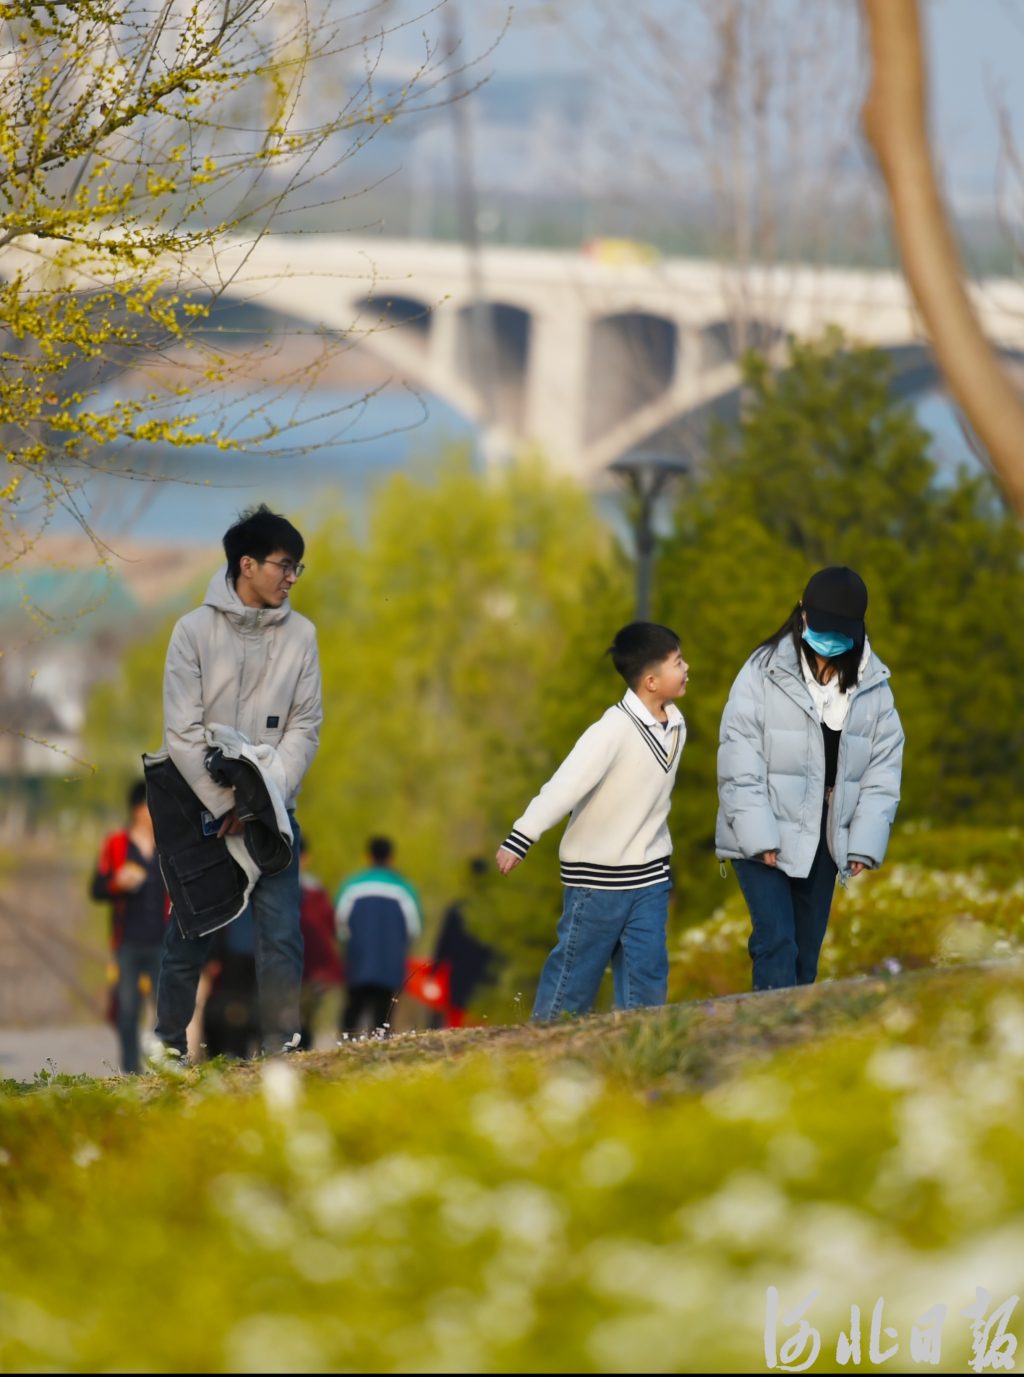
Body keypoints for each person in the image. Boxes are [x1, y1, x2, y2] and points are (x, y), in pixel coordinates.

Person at [153, 504, 322, 1062]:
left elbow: (305, 726)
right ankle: (170, 1047)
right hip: (203, 812)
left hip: (272, 814)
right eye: (284, 564)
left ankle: (281, 1045)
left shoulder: (303, 636)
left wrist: (259, 799)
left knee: (281, 934)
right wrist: (225, 800)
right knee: (192, 927)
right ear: (247, 564)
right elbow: (182, 733)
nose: (292, 577)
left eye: (298, 567)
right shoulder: (191, 632)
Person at [716, 566, 904, 992]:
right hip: (763, 828)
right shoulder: (761, 672)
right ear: (801, 612)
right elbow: (737, 756)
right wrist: (758, 835)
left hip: (824, 836)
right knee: (776, 943)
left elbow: (882, 771)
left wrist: (864, 843)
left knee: (805, 954)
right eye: (823, 627)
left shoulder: (874, 686)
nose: (830, 640)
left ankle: (794, 1046)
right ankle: (768, 1038)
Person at [496, 622, 689, 1020]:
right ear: (651, 681)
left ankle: (642, 1052)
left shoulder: (677, 726)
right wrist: (521, 837)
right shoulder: (611, 730)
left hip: (649, 878)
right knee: (573, 980)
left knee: (648, 977)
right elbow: (564, 786)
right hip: (596, 882)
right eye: (678, 662)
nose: (687, 668)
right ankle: (543, 1052)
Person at [90, 780, 169, 1074]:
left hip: (163, 939)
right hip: (128, 942)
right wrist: (117, 883)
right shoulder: (116, 844)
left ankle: (165, 1066)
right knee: (127, 1009)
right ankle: (132, 1071)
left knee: (166, 1010)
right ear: (138, 809)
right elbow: (97, 888)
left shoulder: (168, 844)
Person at [334, 836, 422, 1038]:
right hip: (389, 961)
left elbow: (340, 924)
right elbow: (413, 928)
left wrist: (349, 944)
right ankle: (380, 1050)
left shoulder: (351, 886)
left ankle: (346, 1047)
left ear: (368, 856)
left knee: (353, 1007)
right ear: (391, 858)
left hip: (359, 958)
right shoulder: (405, 889)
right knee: (383, 1012)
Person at [430, 858, 501, 1027]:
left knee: (457, 1024)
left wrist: (433, 972)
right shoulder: (494, 911)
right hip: (485, 979)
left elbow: (443, 943)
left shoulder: (457, 908)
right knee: (481, 1026)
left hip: (459, 978)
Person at [297, 835, 344, 1049]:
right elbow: (331, 927)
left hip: (285, 965)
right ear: (307, 857)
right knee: (305, 1017)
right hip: (313, 966)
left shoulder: (266, 886)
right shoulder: (315, 890)